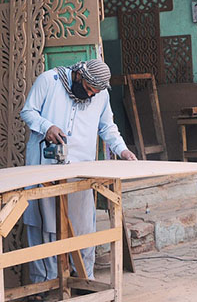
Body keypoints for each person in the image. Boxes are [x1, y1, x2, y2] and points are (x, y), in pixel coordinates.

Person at [20, 59, 136, 289]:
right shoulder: (49, 81)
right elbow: (28, 112)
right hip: (45, 167)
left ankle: (83, 279)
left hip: (82, 170)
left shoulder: (100, 95)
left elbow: (107, 126)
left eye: (96, 92)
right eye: (89, 89)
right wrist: (47, 127)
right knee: (46, 226)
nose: (91, 95)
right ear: (79, 77)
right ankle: (44, 284)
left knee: (83, 225)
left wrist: (122, 149)